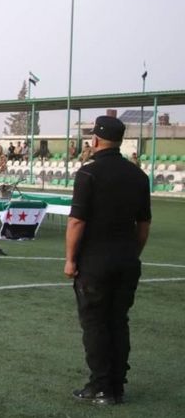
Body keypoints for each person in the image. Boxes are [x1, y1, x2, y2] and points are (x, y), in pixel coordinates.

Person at [65, 116, 151, 406]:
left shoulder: (88, 173)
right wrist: (132, 253)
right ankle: (117, 384)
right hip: (126, 260)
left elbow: (77, 221)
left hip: (95, 263)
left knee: (95, 324)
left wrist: (70, 259)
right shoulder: (138, 175)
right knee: (118, 322)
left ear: (95, 140)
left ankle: (101, 386)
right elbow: (143, 224)